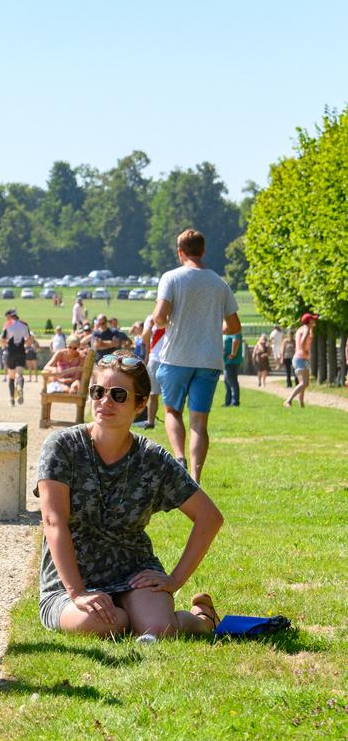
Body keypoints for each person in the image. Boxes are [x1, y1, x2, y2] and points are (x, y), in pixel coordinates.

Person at [35, 354, 223, 639]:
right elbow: (53, 521)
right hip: (69, 584)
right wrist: (78, 592)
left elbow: (210, 517)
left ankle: (203, 619)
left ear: (141, 404)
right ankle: (128, 617)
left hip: (134, 574)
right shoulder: (62, 447)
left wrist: (175, 579)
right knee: (104, 624)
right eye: (98, 392)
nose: (105, 401)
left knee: (160, 629)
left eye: (118, 395)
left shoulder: (152, 458)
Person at [151, 229, 240, 483]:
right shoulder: (219, 283)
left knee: (172, 412)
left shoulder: (171, 278)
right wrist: (215, 328)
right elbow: (234, 326)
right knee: (199, 423)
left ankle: (179, 458)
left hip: (176, 357)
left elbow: (159, 317)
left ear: (180, 252)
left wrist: (167, 321)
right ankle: (196, 477)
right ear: (203, 251)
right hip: (209, 359)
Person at [285, 313, 317, 409]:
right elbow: (303, 341)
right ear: (309, 321)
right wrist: (304, 350)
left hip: (302, 358)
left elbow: (308, 338)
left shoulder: (302, 329)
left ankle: (301, 404)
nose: (314, 320)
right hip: (301, 358)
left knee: (303, 383)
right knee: (304, 383)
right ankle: (288, 400)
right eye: (313, 319)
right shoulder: (306, 329)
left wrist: (311, 329)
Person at [1, 309, 30, 405]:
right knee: (20, 374)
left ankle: (12, 399)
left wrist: (5, 345)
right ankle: (20, 387)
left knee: (11, 377)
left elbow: (3, 340)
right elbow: (29, 340)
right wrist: (23, 345)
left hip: (11, 352)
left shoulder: (8, 325)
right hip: (21, 351)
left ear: (10, 316)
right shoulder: (24, 325)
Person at [222, 329, 243, 407]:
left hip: (232, 361)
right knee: (226, 381)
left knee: (232, 381)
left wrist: (233, 354)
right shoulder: (226, 332)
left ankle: (235, 402)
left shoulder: (235, 330)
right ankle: (228, 401)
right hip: (226, 361)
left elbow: (236, 341)